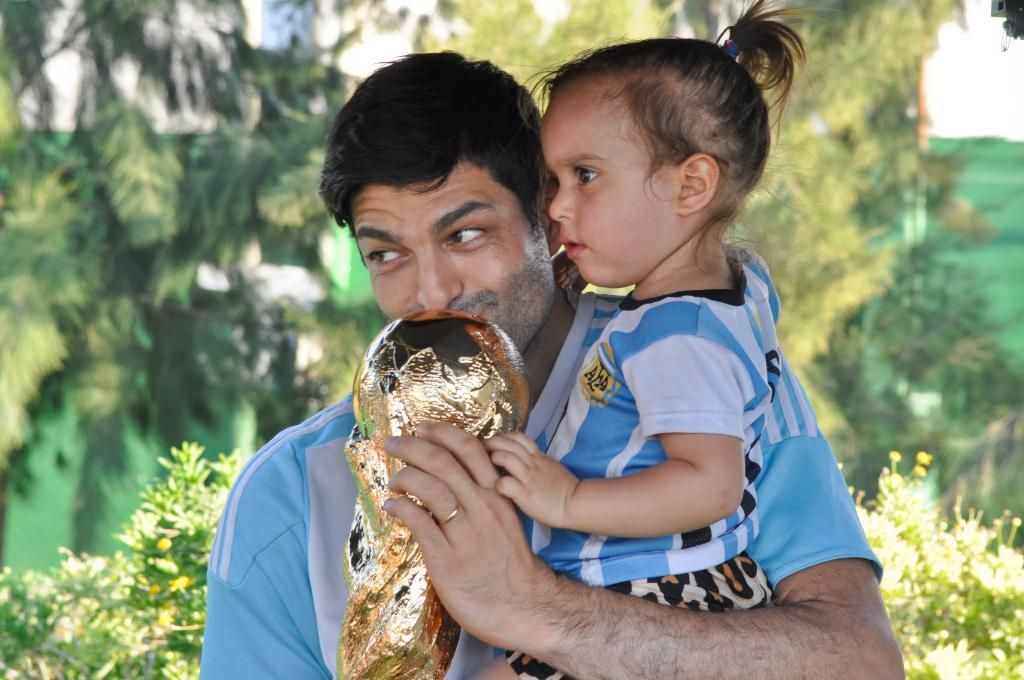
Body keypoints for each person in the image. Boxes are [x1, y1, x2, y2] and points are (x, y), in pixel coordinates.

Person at [200, 50, 903, 679]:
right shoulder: (293, 495)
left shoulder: (704, 373)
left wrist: (536, 608)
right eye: (386, 254)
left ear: (550, 218)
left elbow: (861, 663)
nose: (431, 292)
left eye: (466, 234)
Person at [472, 4, 802, 677]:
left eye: (586, 176)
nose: (557, 206)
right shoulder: (734, 283)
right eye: (554, 181)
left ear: (692, 185)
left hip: (651, 587)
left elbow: (710, 483)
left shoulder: (675, 338)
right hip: (675, 581)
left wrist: (567, 501)